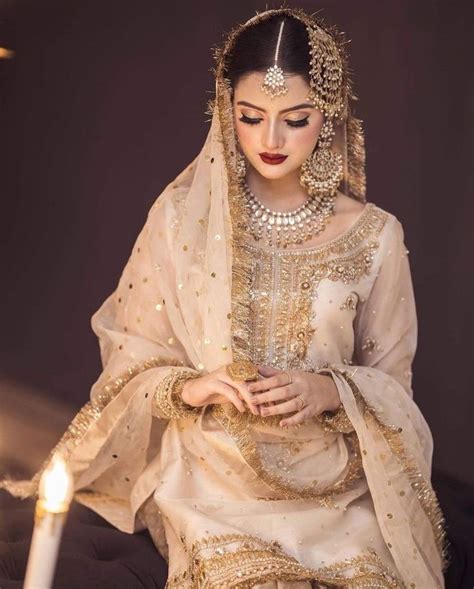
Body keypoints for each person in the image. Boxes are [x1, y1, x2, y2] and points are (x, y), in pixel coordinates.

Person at [2, 7, 447, 588]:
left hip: (338, 492)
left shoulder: (376, 235)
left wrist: (327, 388)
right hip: (213, 477)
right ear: (224, 111)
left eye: (296, 119)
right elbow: (131, 353)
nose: (270, 139)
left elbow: (396, 389)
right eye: (250, 116)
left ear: (329, 115)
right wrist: (193, 386)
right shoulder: (184, 220)